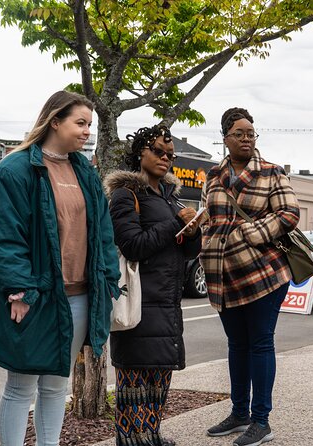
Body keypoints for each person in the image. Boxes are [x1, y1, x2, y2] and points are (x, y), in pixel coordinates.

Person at [0, 90, 121, 446]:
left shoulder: (85, 173)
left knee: (57, 384)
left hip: (78, 297)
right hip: (33, 297)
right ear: (55, 121)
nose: (87, 131)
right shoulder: (14, 170)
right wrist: (19, 290)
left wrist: (107, 281)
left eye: (90, 124)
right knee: (20, 386)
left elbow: (103, 232)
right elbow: (2, 236)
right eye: (80, 123)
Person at [202, 107, 300, 446]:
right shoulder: (213, 175)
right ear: (225, 138)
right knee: (236, 345)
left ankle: (262, 420)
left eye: (251, 134)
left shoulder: (272, 172)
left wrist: (252, 233)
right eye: (239, 134)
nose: (246, 139)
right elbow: (211, 219)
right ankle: (239, 412)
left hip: (264, 272)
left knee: (260, 343)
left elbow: (290, 214)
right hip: (223, 273)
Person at [105, 124, 202, 446]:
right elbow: (132, 245)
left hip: (166, 303)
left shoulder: (171, 199)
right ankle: (136, 441)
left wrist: (192, 232)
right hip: (138, 304)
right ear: (139, 152)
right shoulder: (125, 195)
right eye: (158, 151)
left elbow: (188, 252)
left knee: (158, 382)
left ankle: (152, 437)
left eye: (170, 155)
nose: (165, 158)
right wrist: (175, 223)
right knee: (134, 385)